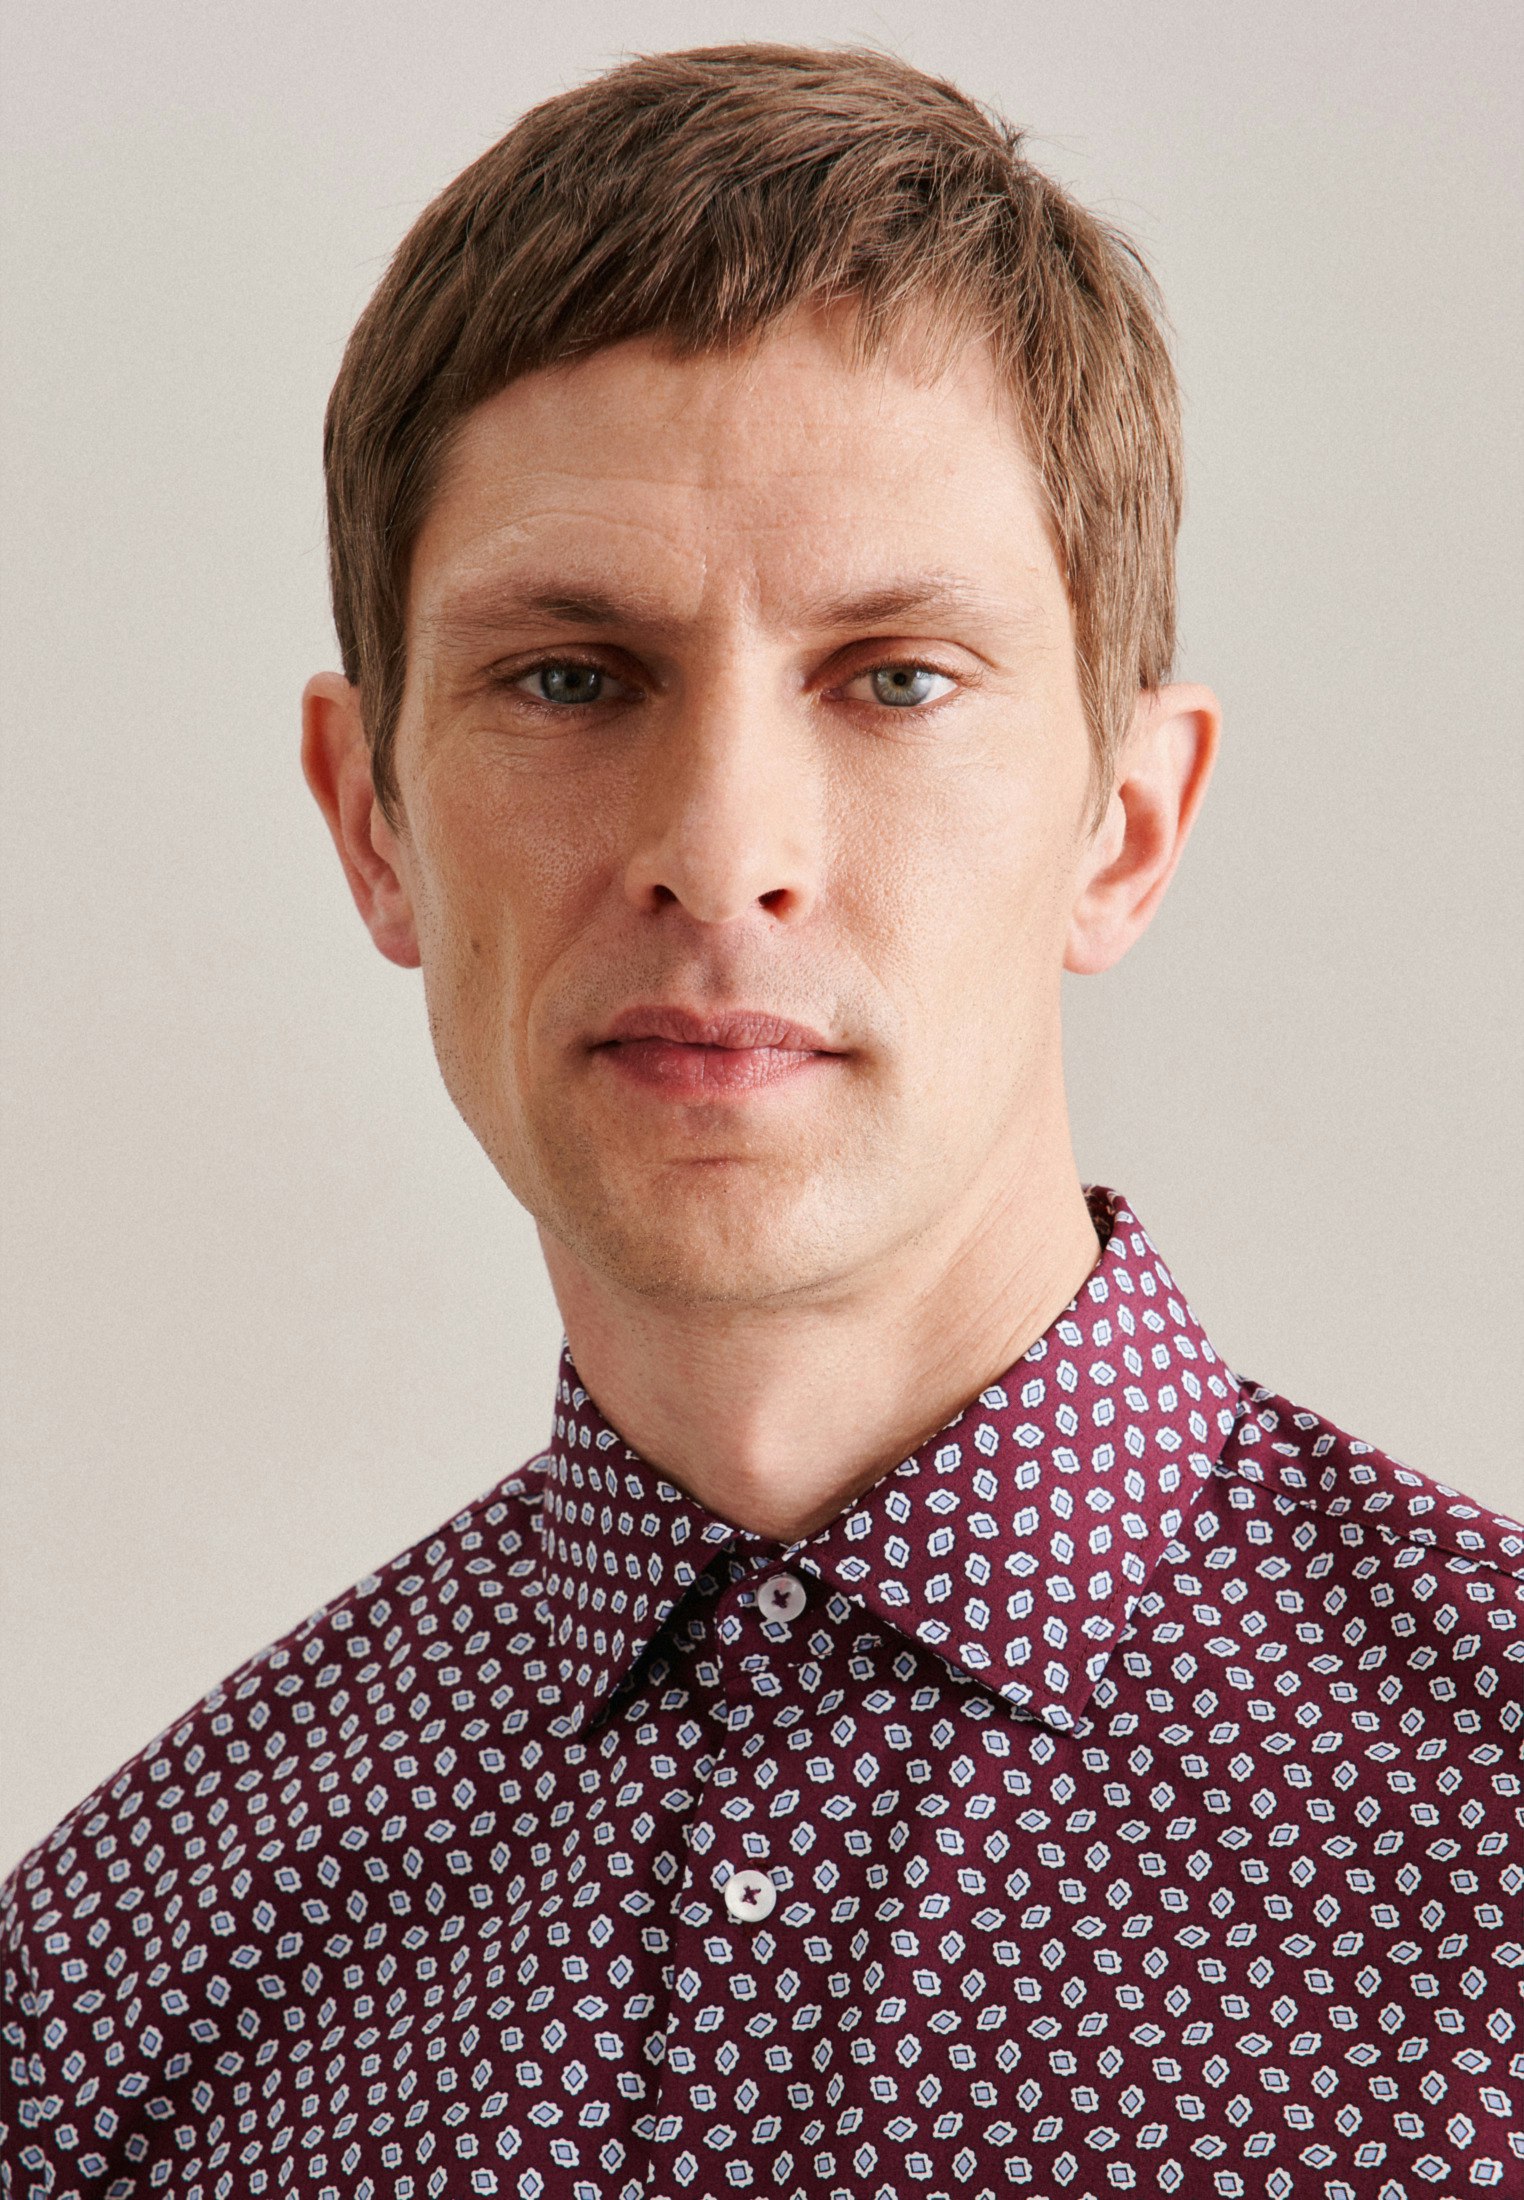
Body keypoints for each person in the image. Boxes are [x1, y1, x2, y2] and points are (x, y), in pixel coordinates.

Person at [2, 41, 1520, 2200]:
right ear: (373, 821)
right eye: (571, 675)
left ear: (1125, 825)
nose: (723, 855)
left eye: (895, 676)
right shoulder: (111, 1990)